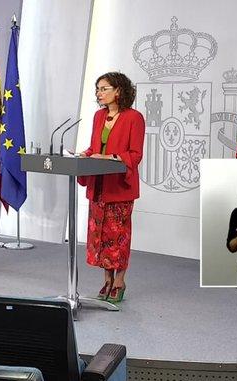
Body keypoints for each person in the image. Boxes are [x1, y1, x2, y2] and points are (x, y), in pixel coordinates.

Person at [78, 71, 145, 303]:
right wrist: (83, 155)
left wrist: (109, 158)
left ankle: (119, 281)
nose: (99, 93)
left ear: (119, 90)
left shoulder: (134, 117)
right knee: (100, 236)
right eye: (98, 89)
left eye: (104, 88)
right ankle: (106, 280)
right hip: (98, 184)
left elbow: (135, 155)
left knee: (118, 237)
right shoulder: (99, 116)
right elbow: (95, 146)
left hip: (119, 187)